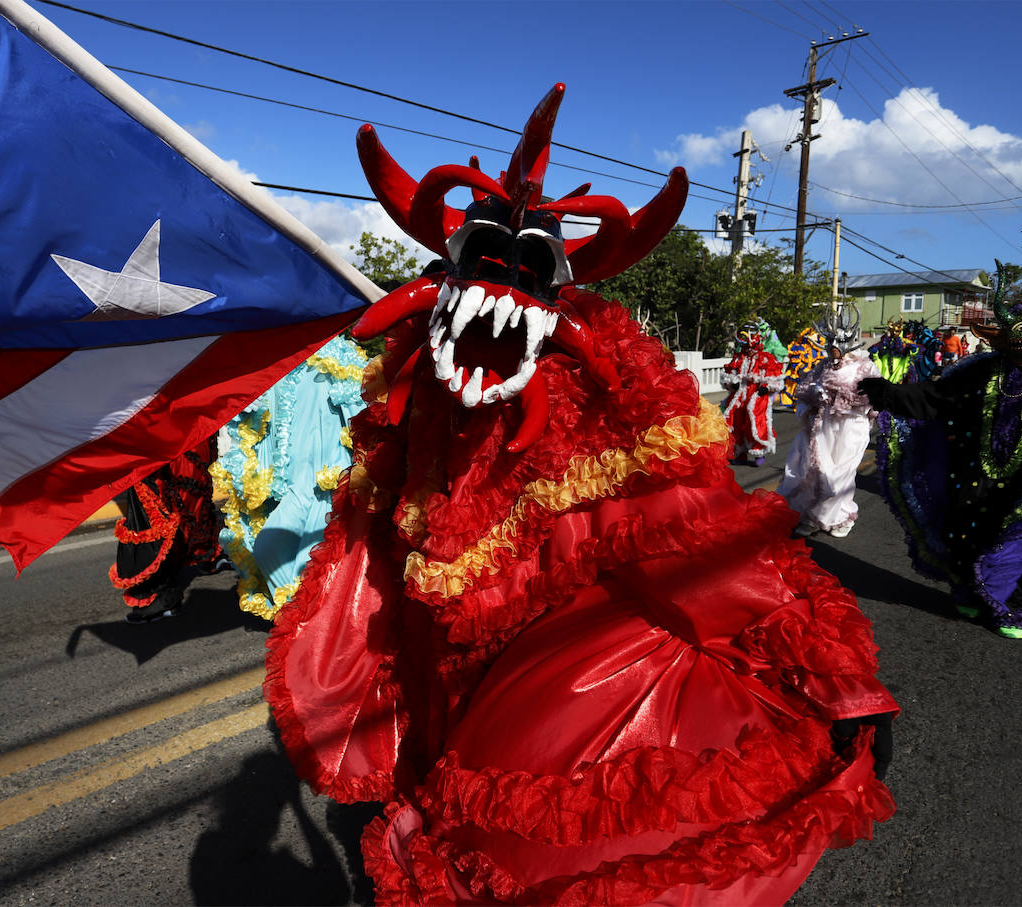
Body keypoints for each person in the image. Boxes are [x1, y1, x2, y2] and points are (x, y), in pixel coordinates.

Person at [266, 85, 897, 906]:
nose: (502, 286)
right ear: (445, 277)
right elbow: (381, 523)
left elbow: (692, 538)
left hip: (558, 670)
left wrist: (835, 678)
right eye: (485, 262)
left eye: (526, 268)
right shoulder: (419, 383)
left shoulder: (595, 390)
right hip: (451, 658)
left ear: (555, 294)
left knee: (535, 852)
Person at [860, 244, 1022, 639]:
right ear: (1004, 341)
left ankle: (1005, 606)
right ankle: (969, 592)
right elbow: (934, 399)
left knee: (1018, 541)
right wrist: (885, 391)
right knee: (964, 532)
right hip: (973, 473)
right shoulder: (978, 372)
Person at [209, 334, 369, 619]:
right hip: (297, 489)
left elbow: (364, 416)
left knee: (322, 565)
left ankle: (315, 628)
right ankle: (307, 623)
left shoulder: (336, 358)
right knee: (270, 549)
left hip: (330, 486)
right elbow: (260, 428)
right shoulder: (276, 369)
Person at [778, 304, 881, 538]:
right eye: (830, 342)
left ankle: (840, 516)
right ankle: (811, 515)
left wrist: (843, 398)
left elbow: (875, 398)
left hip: (851, 428)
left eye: (837, 342)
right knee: (814, 469)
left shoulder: (865, 367)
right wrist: (815, 397)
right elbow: (804, 389)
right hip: (822, 427)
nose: (832, 348)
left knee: (840, 475)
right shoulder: (823, 366)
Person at [109, 437, 225, 623]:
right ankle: (160, 588)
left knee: (187, 485)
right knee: (155, 498)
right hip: (153, 431)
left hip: (177, 427)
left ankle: (200, 555)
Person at [720, 322, 784, 466]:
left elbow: (776, 380)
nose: (749, 350)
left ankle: (758, 453)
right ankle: (739, 453)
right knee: (735, 423)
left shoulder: (765, 359)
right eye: (747, 347)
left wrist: (766, 388)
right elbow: (728, 376)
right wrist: (733, 382)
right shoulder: (738, 358)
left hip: (757, 397)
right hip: (739, 396)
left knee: (756, 423)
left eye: (751, 347)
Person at [869, 317, 913, 383]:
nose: (895, 333)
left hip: (899, 364)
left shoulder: (905, 342)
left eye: (897, 331)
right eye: (893, 331)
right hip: (886, 363)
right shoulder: (885, 340)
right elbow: (876, 350)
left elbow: (912, 352)